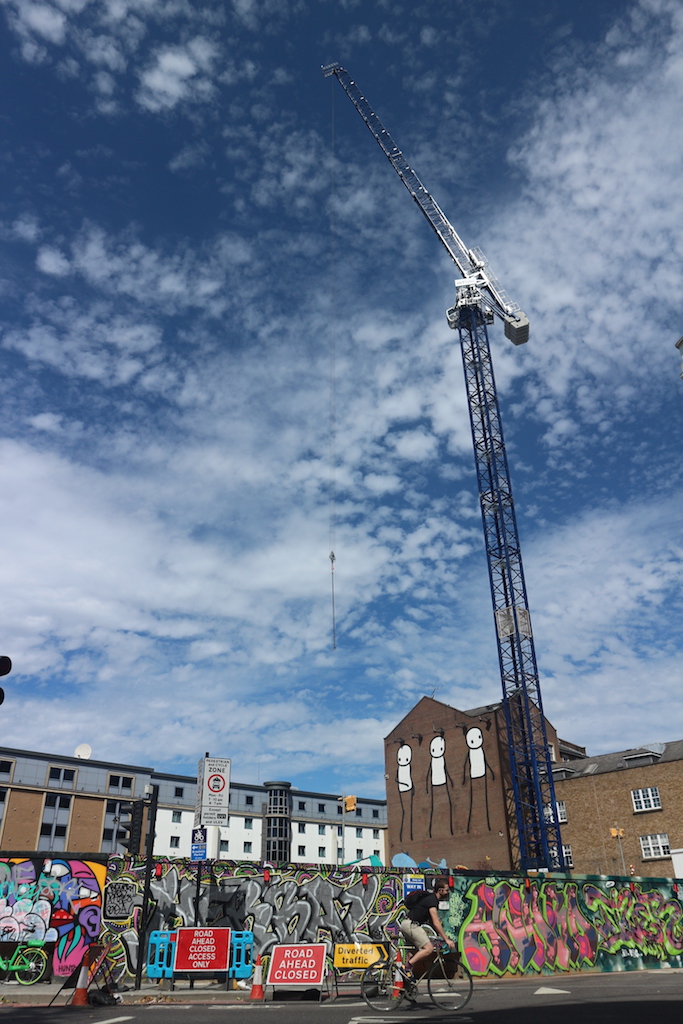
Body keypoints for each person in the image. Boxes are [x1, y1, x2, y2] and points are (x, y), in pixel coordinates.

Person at [399, 877, 456, 978]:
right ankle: (406, 968)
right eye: (447, 890)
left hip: (407, 924)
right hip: (411, 925)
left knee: (415, 954)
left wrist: (440, 936)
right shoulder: (432, 900)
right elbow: (436, 922)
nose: (448, 892)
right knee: (428, 949)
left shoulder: (430, 899)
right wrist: (447, 940)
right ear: (440, 890)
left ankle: (405, 984)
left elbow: (433, 923)